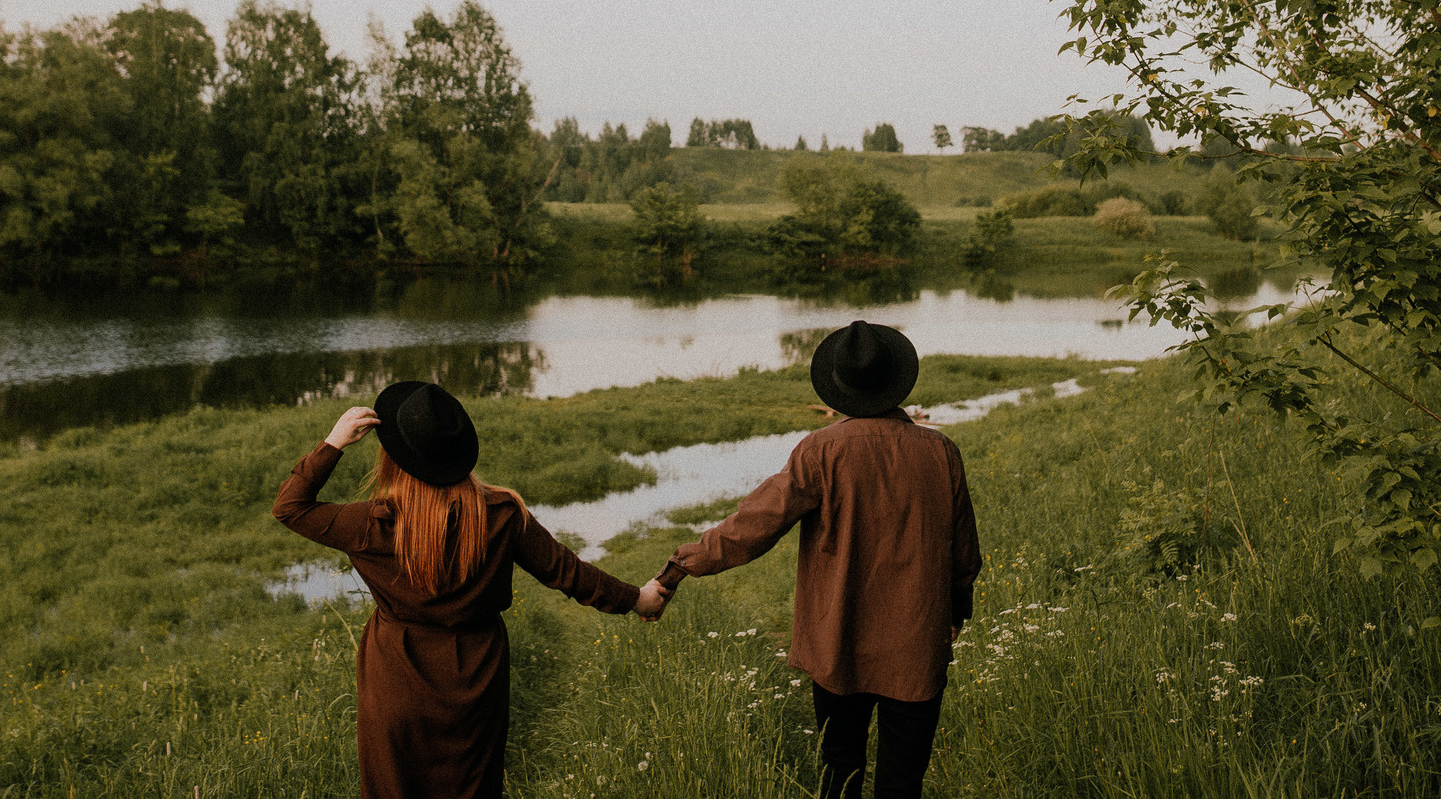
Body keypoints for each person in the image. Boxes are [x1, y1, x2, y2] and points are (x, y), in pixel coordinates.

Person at [274, 379, 663, 799]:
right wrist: (637, 598)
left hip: (395, 685)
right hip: (477, 686)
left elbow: (290, 507)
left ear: (393, 459)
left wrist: (333, 443)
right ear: (459, 451)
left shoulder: (372, 523)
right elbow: (566, 572)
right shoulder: (501, 514)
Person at [640, 321, 980, 799]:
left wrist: (676, 571)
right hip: (917, 642)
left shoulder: (820, 451)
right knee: (903, 782)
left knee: (839, 772)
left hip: (839, 641)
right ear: (897, 380)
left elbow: (751, 527)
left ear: (840, 387)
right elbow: (964, 551)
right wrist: (957, 611)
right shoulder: (942, 451)